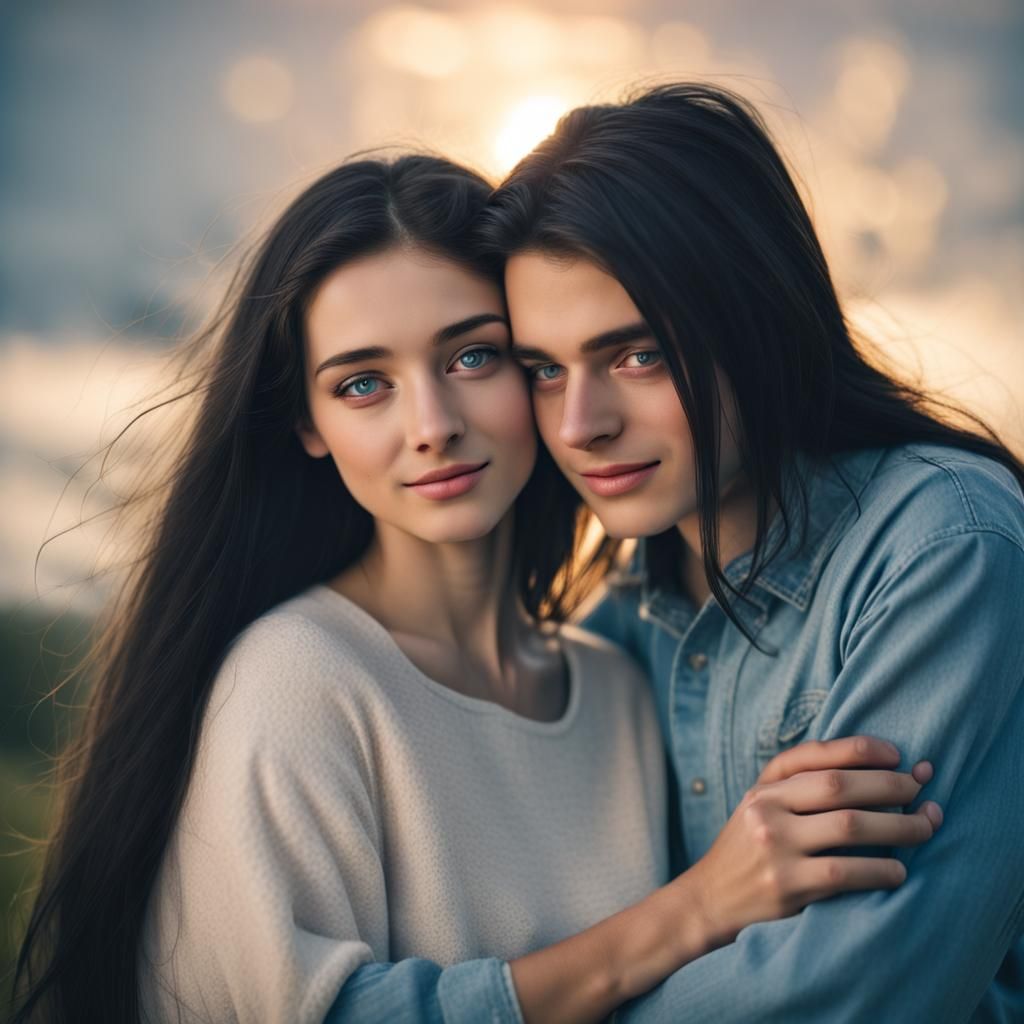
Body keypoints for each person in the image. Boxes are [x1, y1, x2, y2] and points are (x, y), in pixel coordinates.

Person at [12, 154, 939, 1024]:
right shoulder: (299, 679)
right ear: (306, 421)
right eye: (364, 383)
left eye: (471, 357)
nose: (433, 426)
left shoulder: (620, 687)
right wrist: (690, 909)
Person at [480, 82, 1024, 1021]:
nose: (581, 426)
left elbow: (849, 996)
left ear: (759, 317)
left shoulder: (945, 548)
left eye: (638, 355)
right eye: (543, 370)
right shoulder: (618, 620)